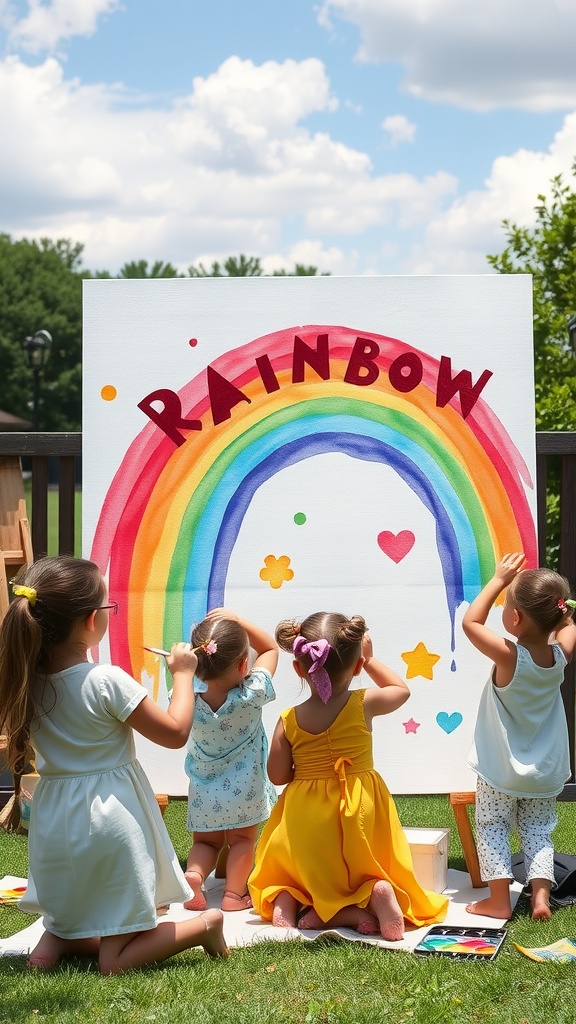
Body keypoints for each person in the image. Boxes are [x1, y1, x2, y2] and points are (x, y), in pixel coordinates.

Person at [0, 556, 228, 973]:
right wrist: (182, 674)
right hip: (109, 817)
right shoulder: (105, 680)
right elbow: (175, 732)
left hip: (55, 820)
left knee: (67, 910)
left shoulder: (27, 682)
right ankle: (205, 925)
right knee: (114, 962)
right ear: (91, 620)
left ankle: (63, 935)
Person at [248, 612, 449, 939]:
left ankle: (288, 900)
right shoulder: (364, 701)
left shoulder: (288, 719)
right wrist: (370, 661)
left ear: (298, 668)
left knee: (302, 862)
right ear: (356, 666)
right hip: (360, 801)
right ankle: (374, 891)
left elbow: (278, 775)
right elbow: (401, 690)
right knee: (358, 863)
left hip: (306, 810)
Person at [463, 552, 576, 921]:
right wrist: (562, 612)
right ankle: (540, 897)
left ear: (514, 618)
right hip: (544, 771)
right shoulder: (560, 656)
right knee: (539, 830)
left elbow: (470, 622)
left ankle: (498, 901)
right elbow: (568, 626)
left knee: (492, 826)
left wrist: (498, 579)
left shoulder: (509, 656)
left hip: (501, 770)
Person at [183, 608, 278, 913]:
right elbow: (271, 648)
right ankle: (234, 895)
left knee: (206, 843)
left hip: (203, 788)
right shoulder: (253, 692)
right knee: (241, 841)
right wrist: (240, 620)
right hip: (245, 789)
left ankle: (195, 877)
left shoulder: (186, 695)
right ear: (242, 665)